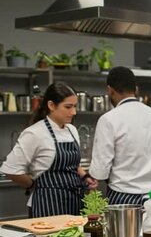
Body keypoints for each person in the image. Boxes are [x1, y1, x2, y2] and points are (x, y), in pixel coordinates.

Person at [0, 82, 97, 217]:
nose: (74, 112)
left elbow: (74, 164)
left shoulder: (72, 130)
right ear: (51, 105)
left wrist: (85, 176)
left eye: (75, 106)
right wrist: (32, 184)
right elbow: (10, 169)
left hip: (75, 202)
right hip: (48, 205)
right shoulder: (35, 133)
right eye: (68, 107)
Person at [88, 66, 151, 205]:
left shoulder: (109, 119)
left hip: (124, 200)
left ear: (110, 90)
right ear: (136, 89)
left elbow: (100, 171)